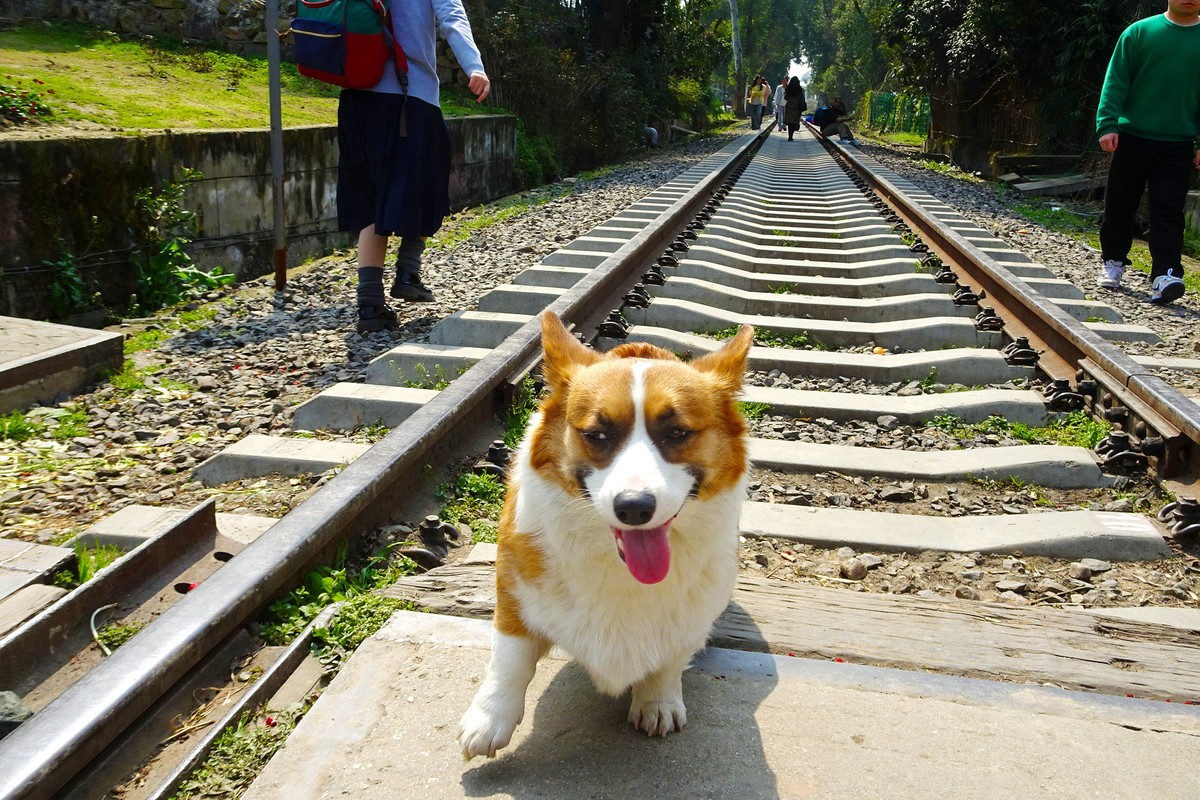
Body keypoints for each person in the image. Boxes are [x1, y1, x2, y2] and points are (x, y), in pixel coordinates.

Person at [338, 0, 491, 333]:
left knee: (369, 198)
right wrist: (474, 66)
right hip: (411, 96)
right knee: (429, 181)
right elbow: (452, 16)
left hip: (355, 96)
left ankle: (369, 305)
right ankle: (408, 270)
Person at [1095, 0, 1200, 305]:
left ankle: (1166, 274)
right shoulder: (1139, 32)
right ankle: (1112, 262)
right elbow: (1116, 80)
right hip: (1131, 136)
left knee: (1168, 212)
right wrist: (1107, 123)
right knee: (1120, 203)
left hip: (1178, 141)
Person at [783, 76, 806, 141]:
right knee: (794, 122)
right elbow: (801, 99)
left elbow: (785, 98)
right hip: (797, 108)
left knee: (790, 123)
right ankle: (791, 135)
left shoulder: (788, 89)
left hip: (789, 107)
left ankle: (790, 136)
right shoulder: (800, 90)